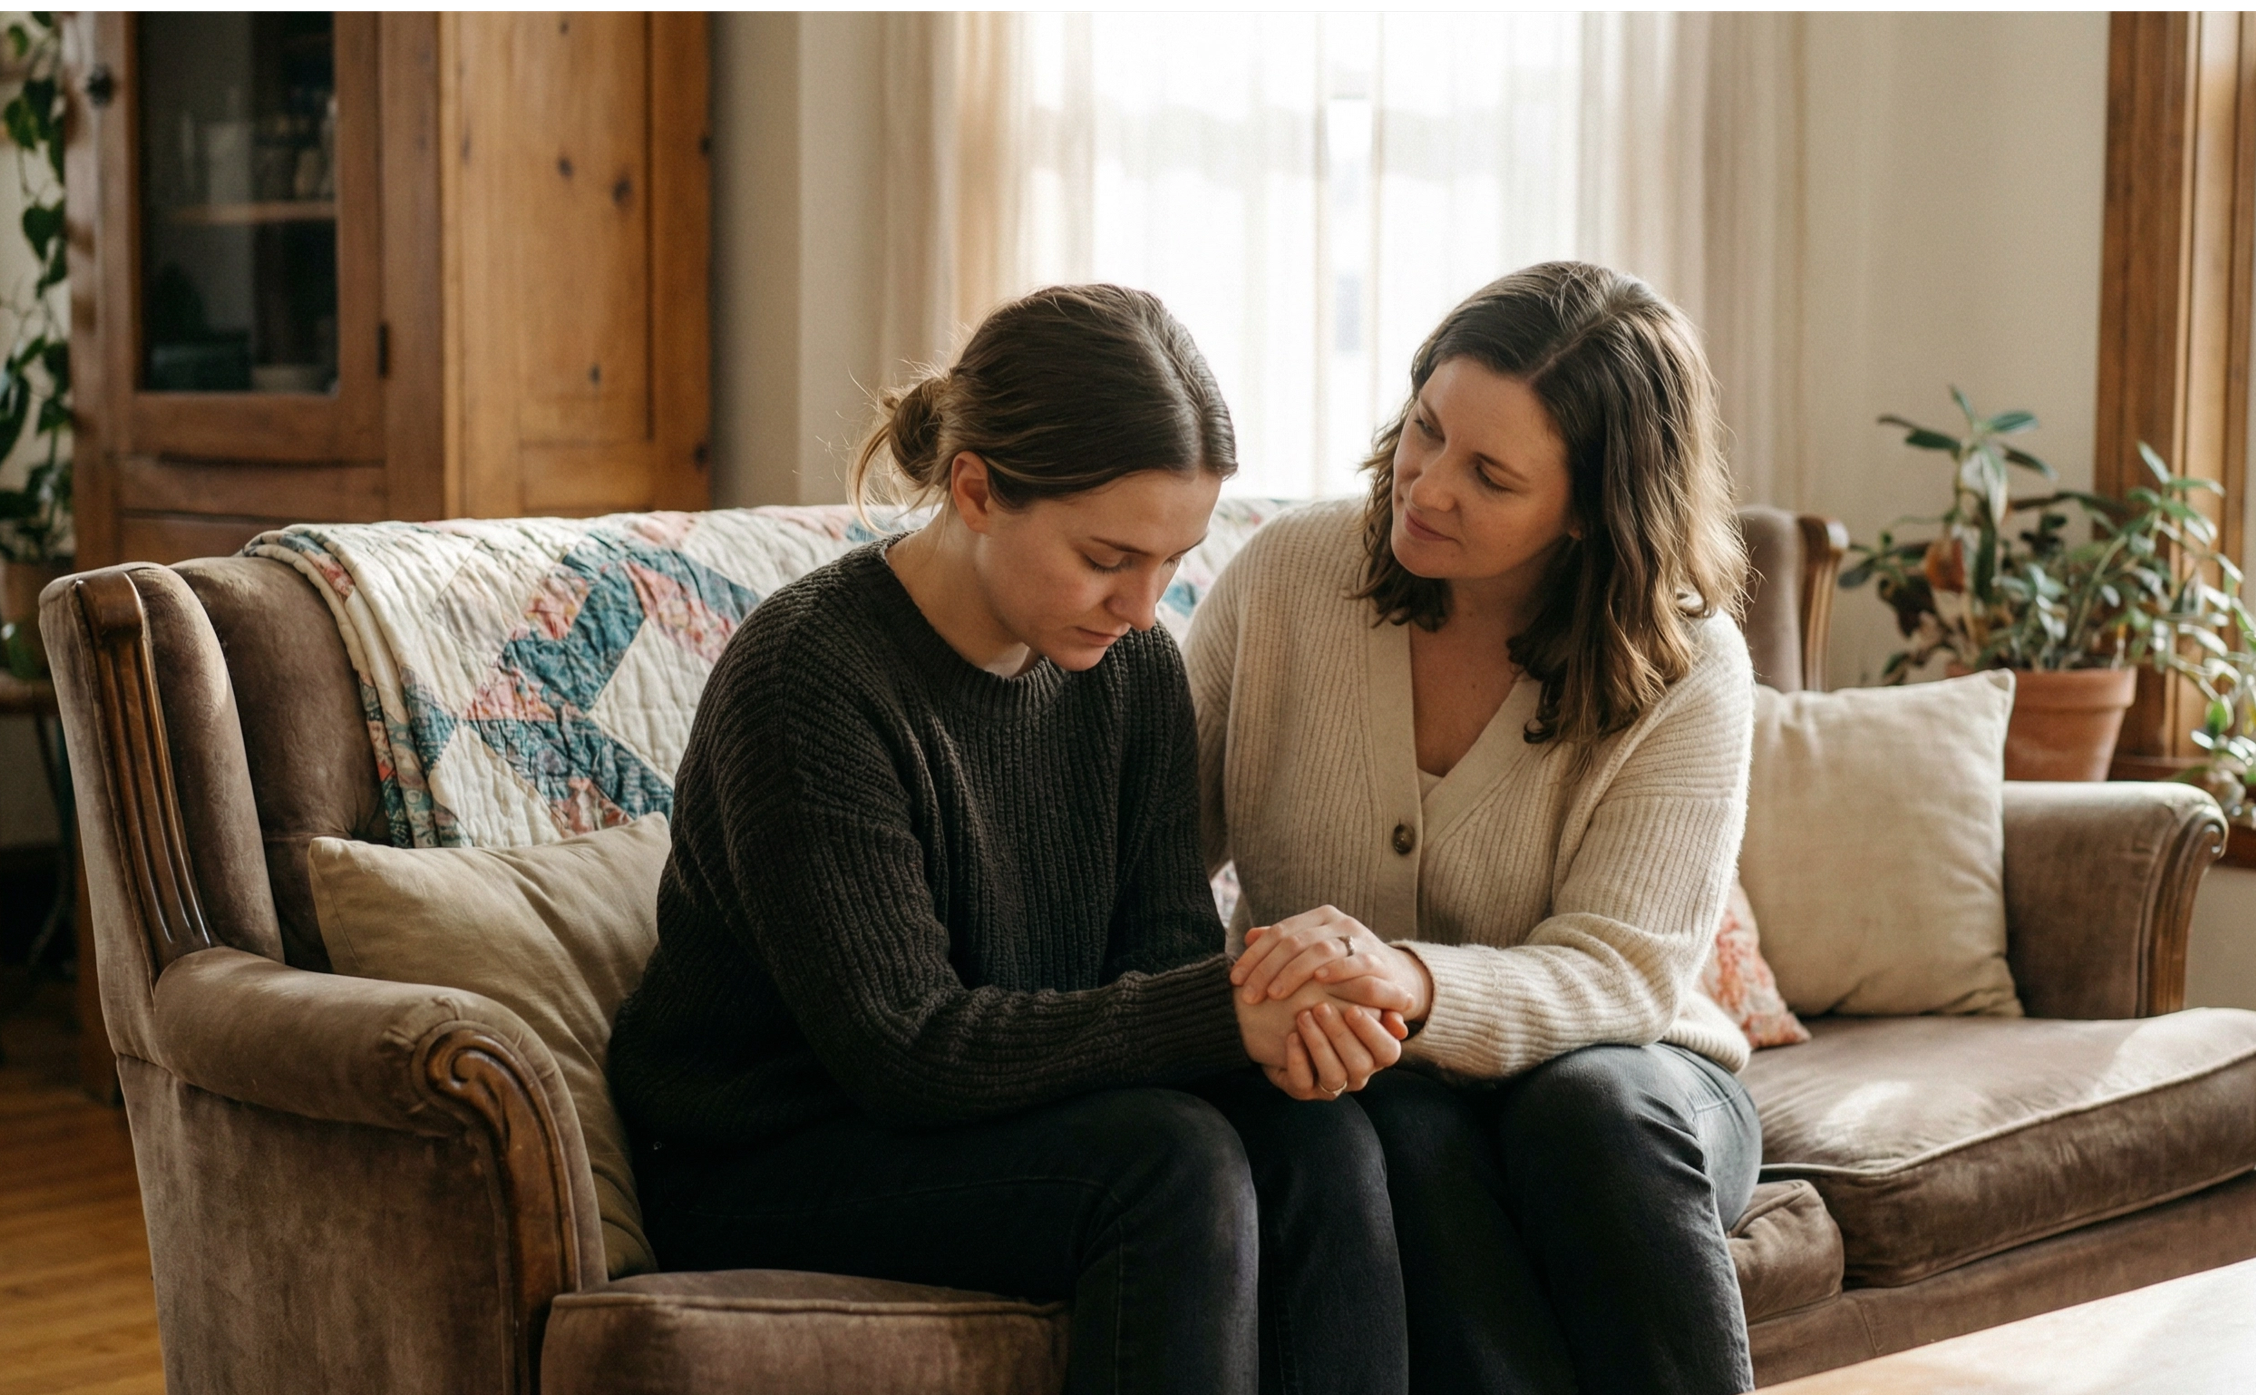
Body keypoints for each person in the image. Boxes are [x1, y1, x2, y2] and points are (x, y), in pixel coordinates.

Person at [610, 284, 1410, 1395]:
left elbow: (1165, 961)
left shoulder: (1130, 674)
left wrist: (1285, 1017)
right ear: (976, 489)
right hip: (767, 1148)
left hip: (1004, 1110)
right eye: (1105, 557)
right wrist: (1219, 1009)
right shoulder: (810, 677)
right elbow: (904, 1050)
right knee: (1169, 1168)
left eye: (1171, 563)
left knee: (1321, 1140)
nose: (1140, 604)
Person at [1187, 261, 1765, 1395]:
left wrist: (1408, 981)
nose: (1426, 485)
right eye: (1426, 427)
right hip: (1375, 1080)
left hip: (1640, 1091)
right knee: (1392, 1118)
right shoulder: (1287, 581)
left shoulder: (1687, 670)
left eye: (1490, 475)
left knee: (1587, 1108)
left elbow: (1624, 976)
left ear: (1595, 509)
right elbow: (1147, 860)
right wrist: (1258, 997)